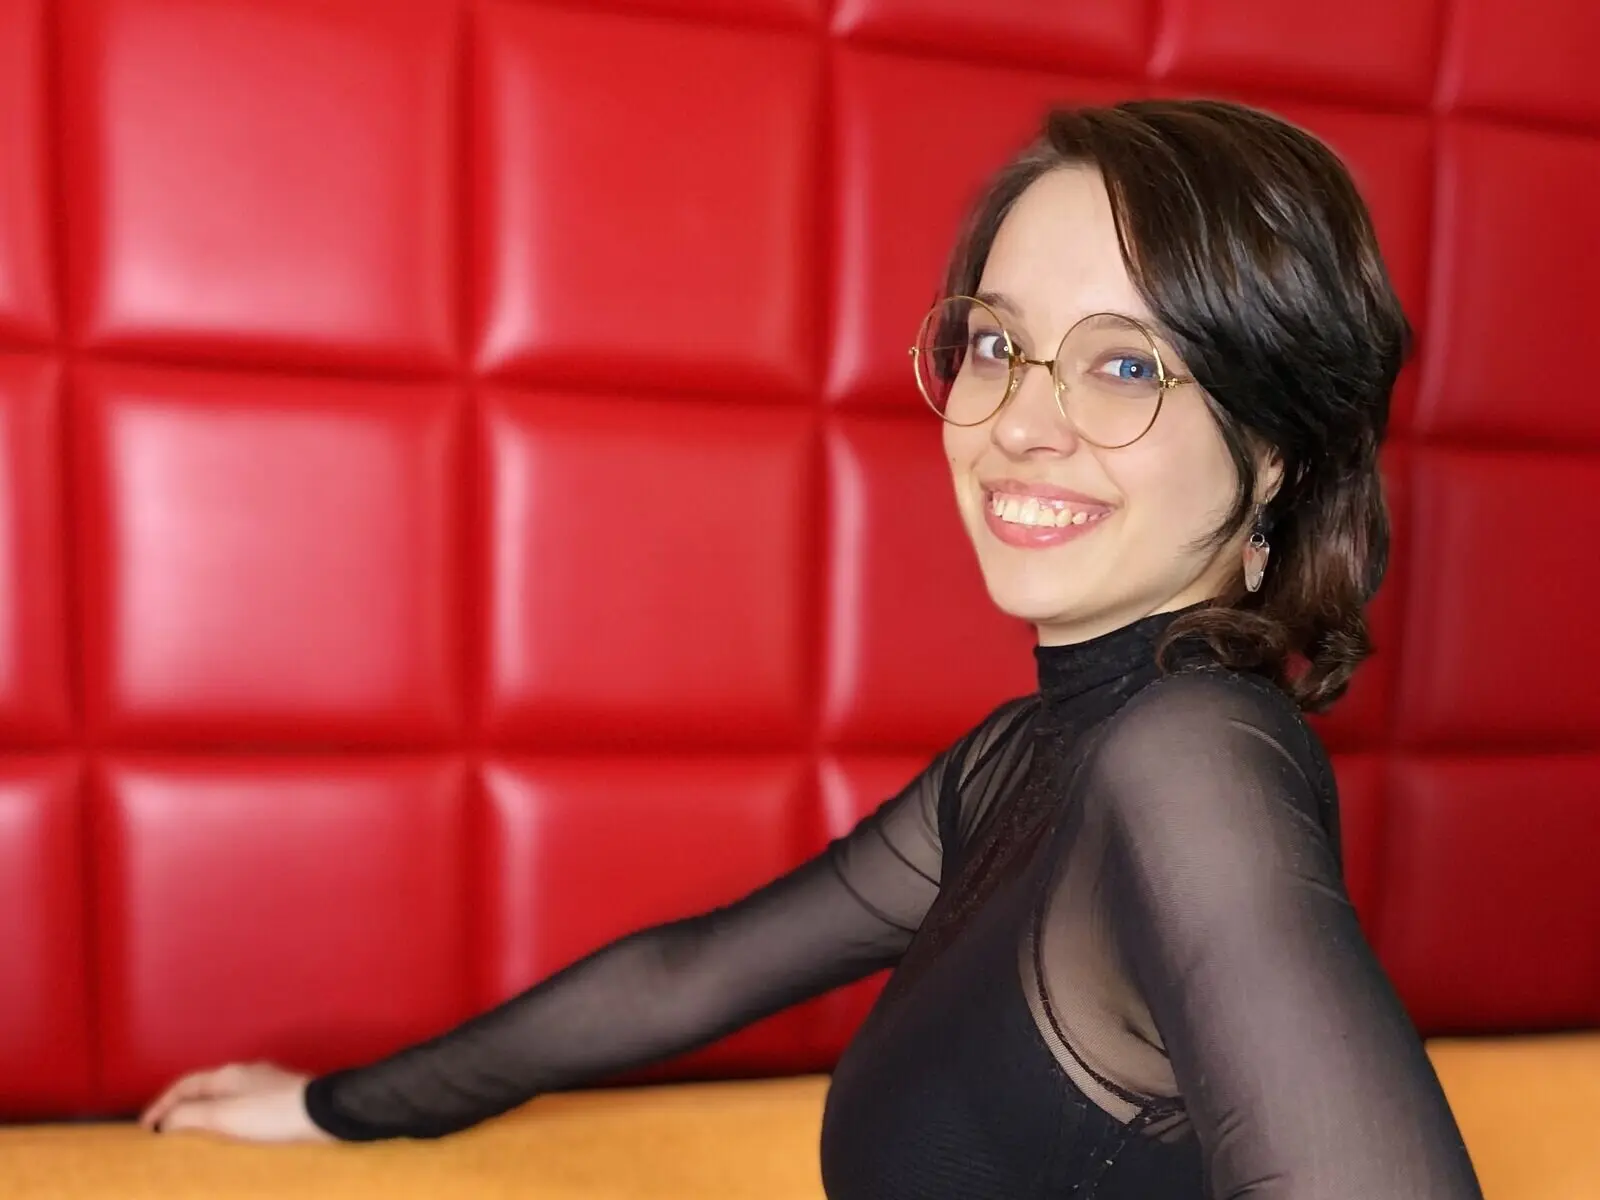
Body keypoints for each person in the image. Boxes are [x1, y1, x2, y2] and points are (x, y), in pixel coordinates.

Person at [139, 98, 1486, 1198]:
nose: (1020, 423)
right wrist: (336, 1108)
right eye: (998, 344)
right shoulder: (1033, 757)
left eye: (1125, 366)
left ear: (1274, 451)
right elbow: (688, 978)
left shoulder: (1191, 760)